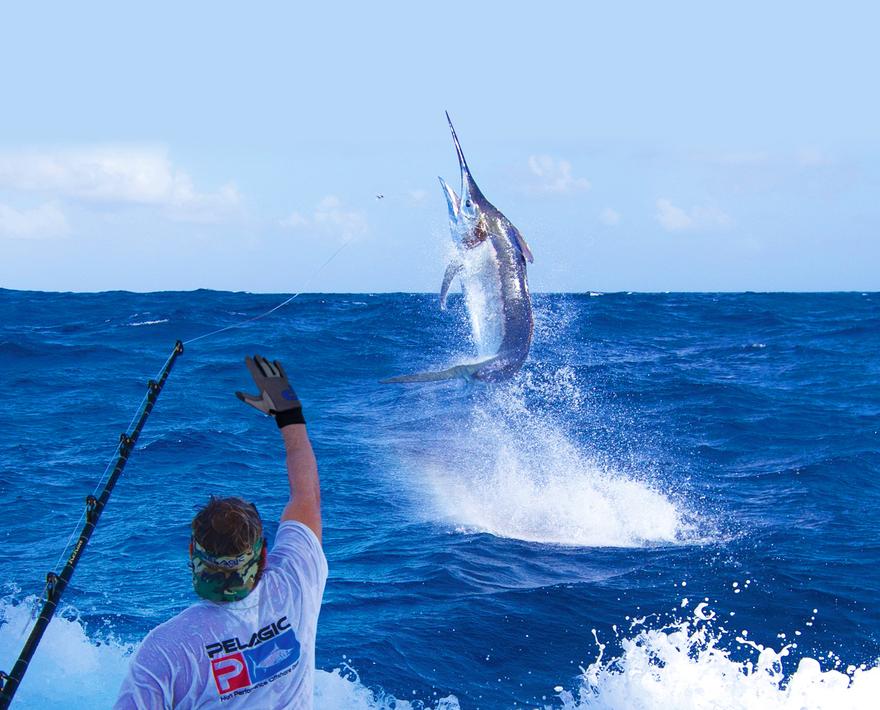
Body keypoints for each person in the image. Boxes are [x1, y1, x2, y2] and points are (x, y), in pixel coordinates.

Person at [115, 355, 327, 709]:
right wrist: (288, 411)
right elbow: (308, 496)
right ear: (262, 554)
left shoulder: (164, 650)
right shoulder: (298, 579)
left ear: (192, 554)